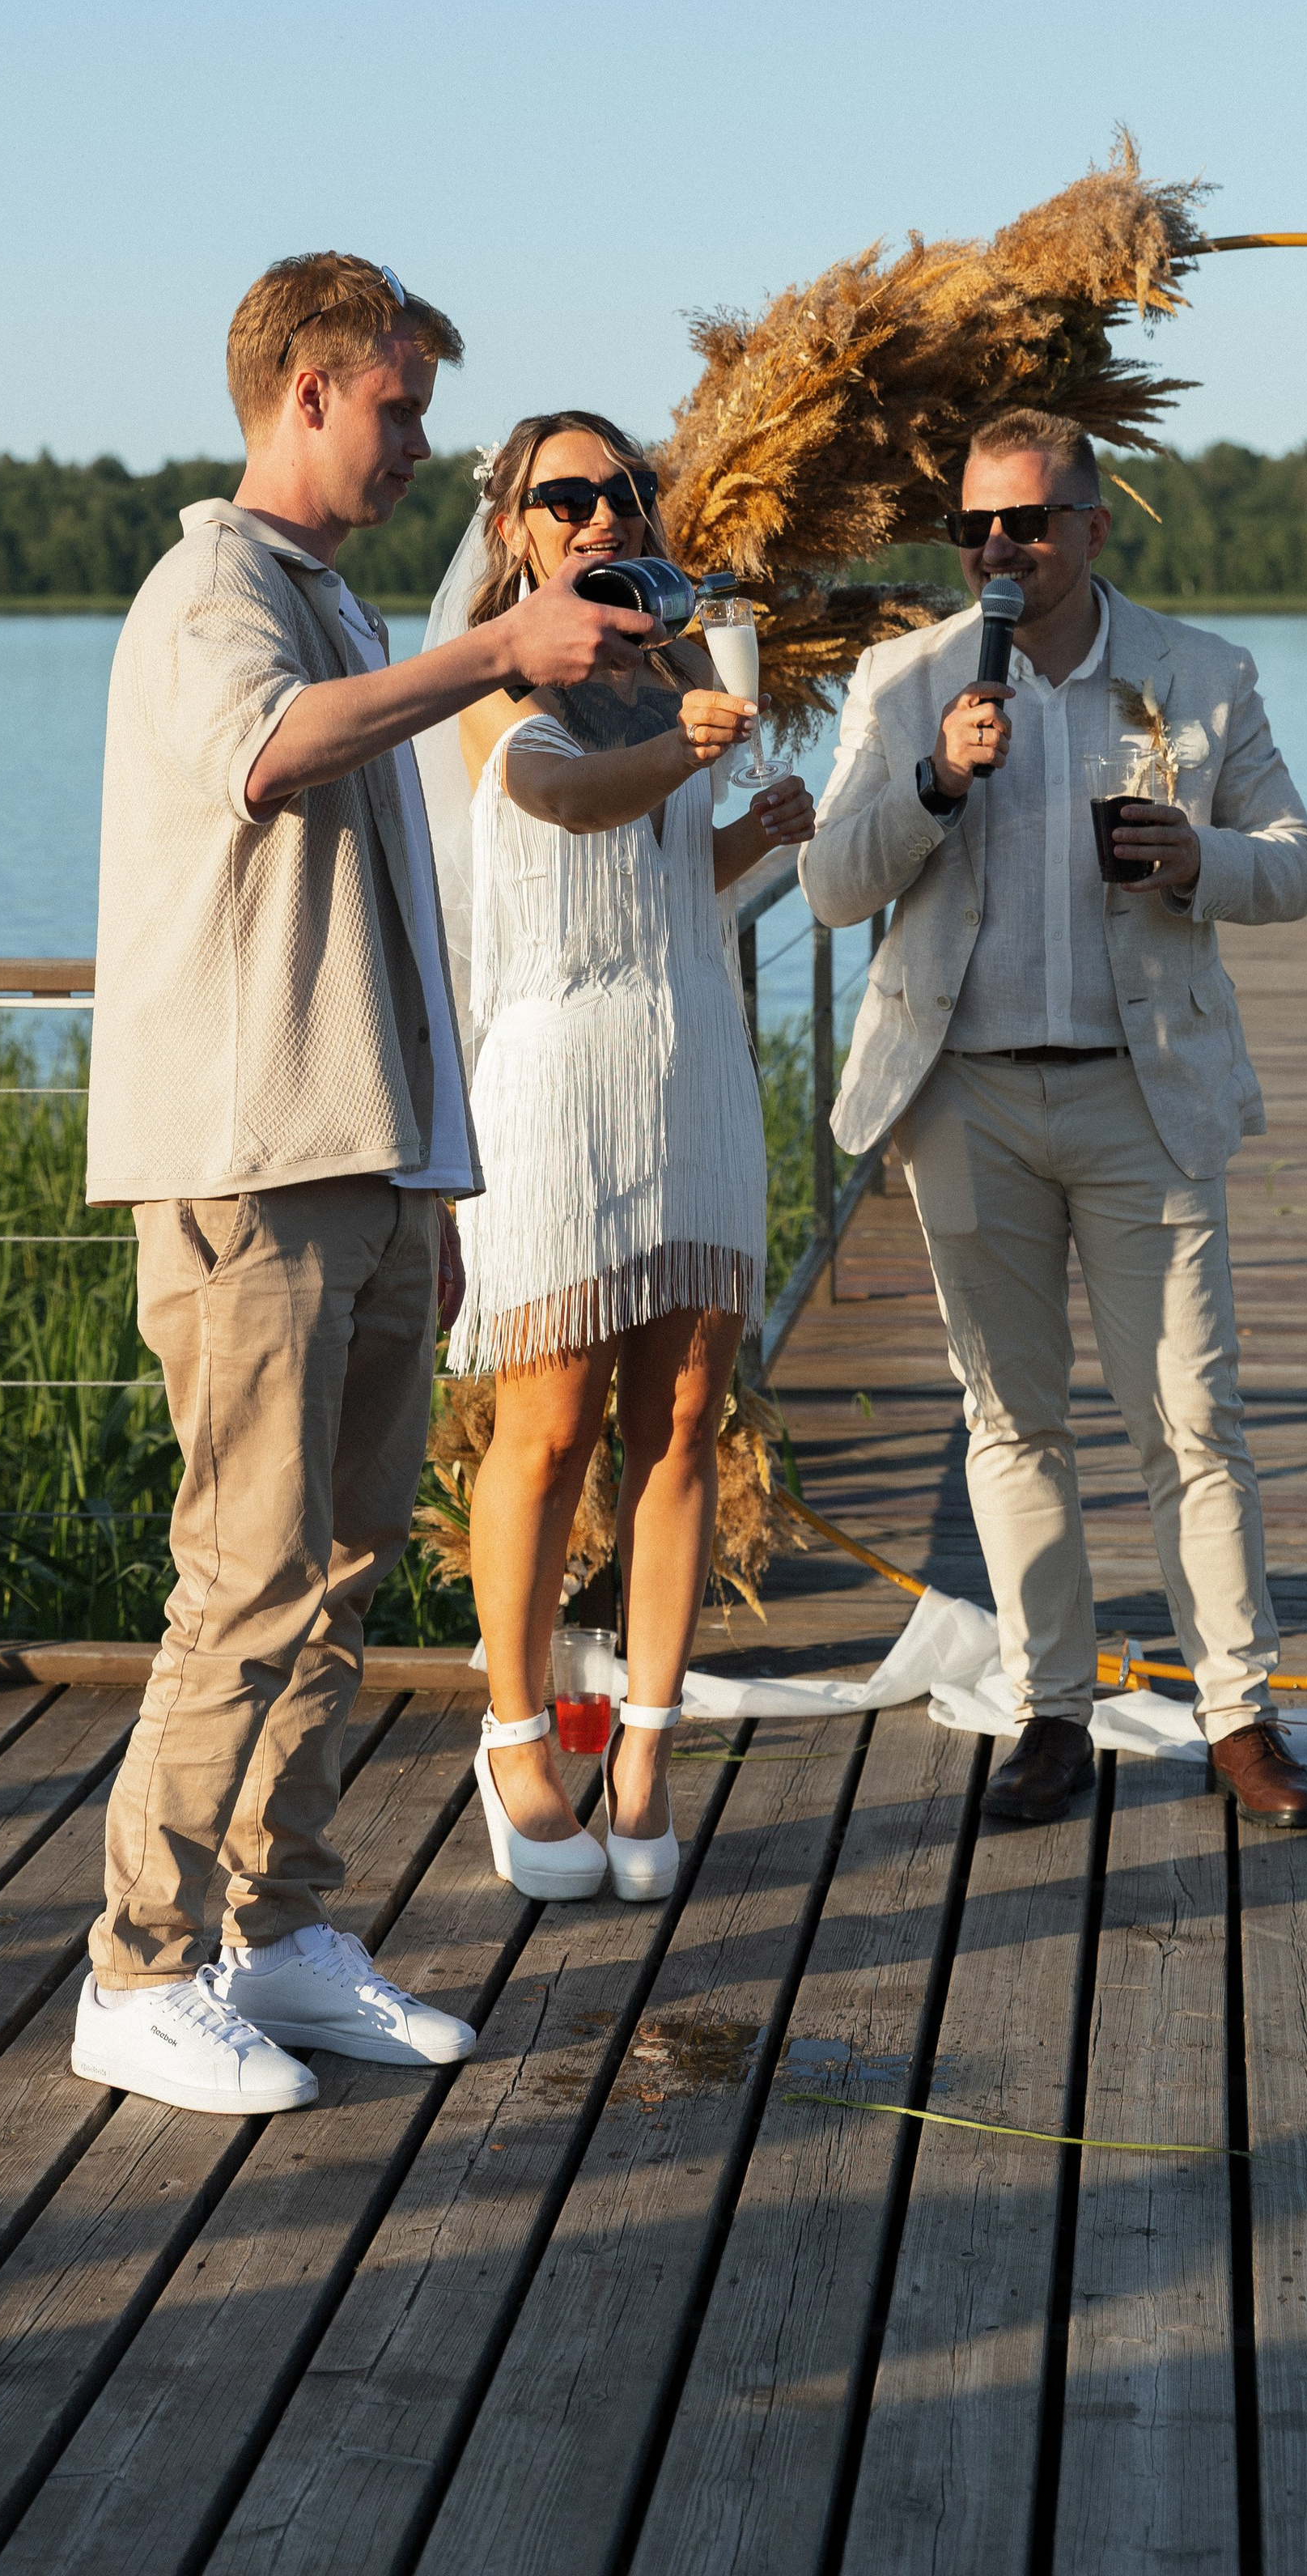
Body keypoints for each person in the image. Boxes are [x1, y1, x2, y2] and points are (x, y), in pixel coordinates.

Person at [76, 261, 657, 2117]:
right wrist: (496, 650)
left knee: (332, 1578)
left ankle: (278, 1930)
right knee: (239, 1583)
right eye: (400, 408)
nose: (417, 444)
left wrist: (439, 1171)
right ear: (308, 390)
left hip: (376, 1162)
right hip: (250, 1167)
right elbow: (265, 756)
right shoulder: (210, 593)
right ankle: (134, 1969)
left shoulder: (323, 601)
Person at [801, 410, 1307, 1831]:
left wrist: (1197, 857)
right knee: (1011, 1418)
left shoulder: (1200, 675)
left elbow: (1298, 867)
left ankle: (1239, 1716)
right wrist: (933, 784)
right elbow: (832, 884)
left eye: (1026, 524)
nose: (996, 550)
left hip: (1141, 1095)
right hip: (965, 1095)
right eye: (973, 527)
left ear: (1091, 528)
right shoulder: (909, 682)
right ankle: (1049, 1712)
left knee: (1192, 1417)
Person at [417, 414, 813, 1899]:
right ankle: (516, 1735)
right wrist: (674, 760)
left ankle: (645, 1752)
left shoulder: (674, 666)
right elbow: (561, 803)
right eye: (563, 496)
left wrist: (746, 836)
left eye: (621, 492)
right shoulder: (491, 683)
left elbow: (647, 882)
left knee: (692, 1411)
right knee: (554, 1420)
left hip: (689, 1057)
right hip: (555, 1084)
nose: (597, 516)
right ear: (514, 527)